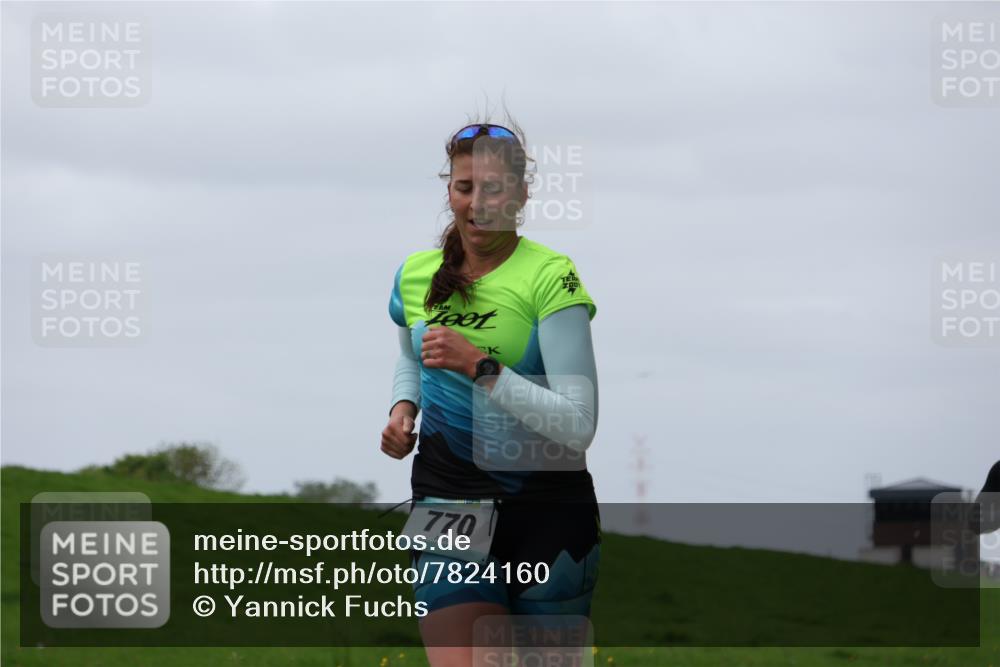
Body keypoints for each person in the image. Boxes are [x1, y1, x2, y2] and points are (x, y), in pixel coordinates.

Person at [381, 119, 601, 667]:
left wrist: (480, 366)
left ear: (523, 194)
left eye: (495, 189)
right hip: (447, 499)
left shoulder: (551, 277)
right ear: (449, 189)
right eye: (464, 187)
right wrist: (402, 407)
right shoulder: (415, 274)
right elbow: (412, 355)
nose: (478, 204)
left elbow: (579, 424)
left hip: (549, 513)